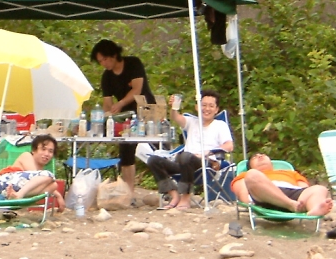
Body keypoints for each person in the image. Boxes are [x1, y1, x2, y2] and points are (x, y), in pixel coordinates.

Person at [146, 89, 234, 210]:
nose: (207, 109)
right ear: (197, 107)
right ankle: (174, 195)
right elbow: (175, 117)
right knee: (153, 160)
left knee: (186, 156)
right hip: (183, 163)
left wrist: (207, 153)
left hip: (204, 164)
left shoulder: (220, 125)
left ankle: (186, 197)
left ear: (216, 109)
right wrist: (174, 107)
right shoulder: (191, 122)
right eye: (203, 105)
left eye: (211, 106)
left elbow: (229, 146)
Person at [90, 39, 155, 193]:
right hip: (126, 116)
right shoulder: (107, 77)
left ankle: (169, 186)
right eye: (100, 61)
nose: (103, 64)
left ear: (113, 54)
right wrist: (107, 116)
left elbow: (137, 89)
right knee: (126, 149)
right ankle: (128, 191)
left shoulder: (133, 63)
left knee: (157, 146)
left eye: (105, 59)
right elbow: (107, 102)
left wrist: (120, 104)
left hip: (146, 109)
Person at [231, 153, 333, 216]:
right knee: (252, 175)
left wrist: (304, 201)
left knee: (320, 189)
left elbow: (304, 188)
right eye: (255, 157)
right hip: (264, 196)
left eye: (262, 155)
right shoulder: (247, 174)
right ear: (250, 166)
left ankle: (313, 210)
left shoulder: (290, 172)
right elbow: (241, 190)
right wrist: (248, 204)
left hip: (293, 194)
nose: (260, 156)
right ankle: (290, 204)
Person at [0, 134, 66, 211]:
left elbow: (36, 183)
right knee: (49, 175)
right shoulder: (27, 156)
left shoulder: (41, 173)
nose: (46, 154)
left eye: (50, 151)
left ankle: (15, 197)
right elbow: (35, 179)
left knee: (53, 185)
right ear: (34, 150)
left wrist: (57, 194)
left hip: (8, 193)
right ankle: (18, 196)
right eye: (43, 149)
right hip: (5, 184)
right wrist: (58, 196)